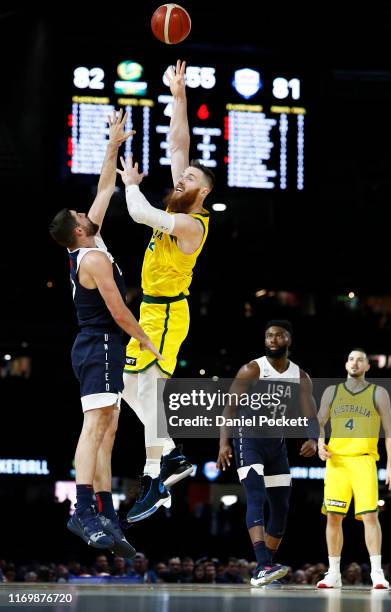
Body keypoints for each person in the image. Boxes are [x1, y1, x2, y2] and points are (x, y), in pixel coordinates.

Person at [49, 110, 161, 555]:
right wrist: (147, 339)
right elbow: (119, 312)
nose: (87, 210)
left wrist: (112, 144)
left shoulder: (90, 241)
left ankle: (104, 509)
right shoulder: (92, 259)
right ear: (78, 229)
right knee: (95, 424)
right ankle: (81, 510)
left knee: (110, 427)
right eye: (81, 213)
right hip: (99, 343)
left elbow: (104, 188)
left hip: (102, 346)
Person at [117, 60, 214, 522]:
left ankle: (155, 475)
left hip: (168, 313)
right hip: (153, 311)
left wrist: (132, 187)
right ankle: (170, 457)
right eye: (184, 175)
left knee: (148, 392)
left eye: (192, 179)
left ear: (203, 195)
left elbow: (141, 215)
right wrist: (179, 93)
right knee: (129, 386)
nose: (183, 178)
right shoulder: (182, 196)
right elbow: (179, 143)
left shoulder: (192, 224)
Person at [217, 320, 318, 587]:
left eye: (278, 335)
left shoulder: (300, 377)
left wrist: (314, 439)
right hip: (248, 440)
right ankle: (262, 564)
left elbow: (310, 414)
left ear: (289, 340)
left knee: (281, 507)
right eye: (268, 335)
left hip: (277, 445)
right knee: (256, 495)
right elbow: (229, 408)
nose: (272, 339)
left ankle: (266, 567)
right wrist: (223, 444)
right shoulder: (252, 369)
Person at [316, 348, 391, 589]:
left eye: (360, 359)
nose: (355, 362)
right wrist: (321, 443)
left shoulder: (378, 392)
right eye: (351, 359)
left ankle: (376, 573)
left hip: (363, 461)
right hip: (337, 462)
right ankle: (333, 573)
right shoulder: (332, 392)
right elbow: (319, 422)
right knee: (333, 517)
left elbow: (390, 431)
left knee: (370, 516)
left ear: (367, 366)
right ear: (346, 364)